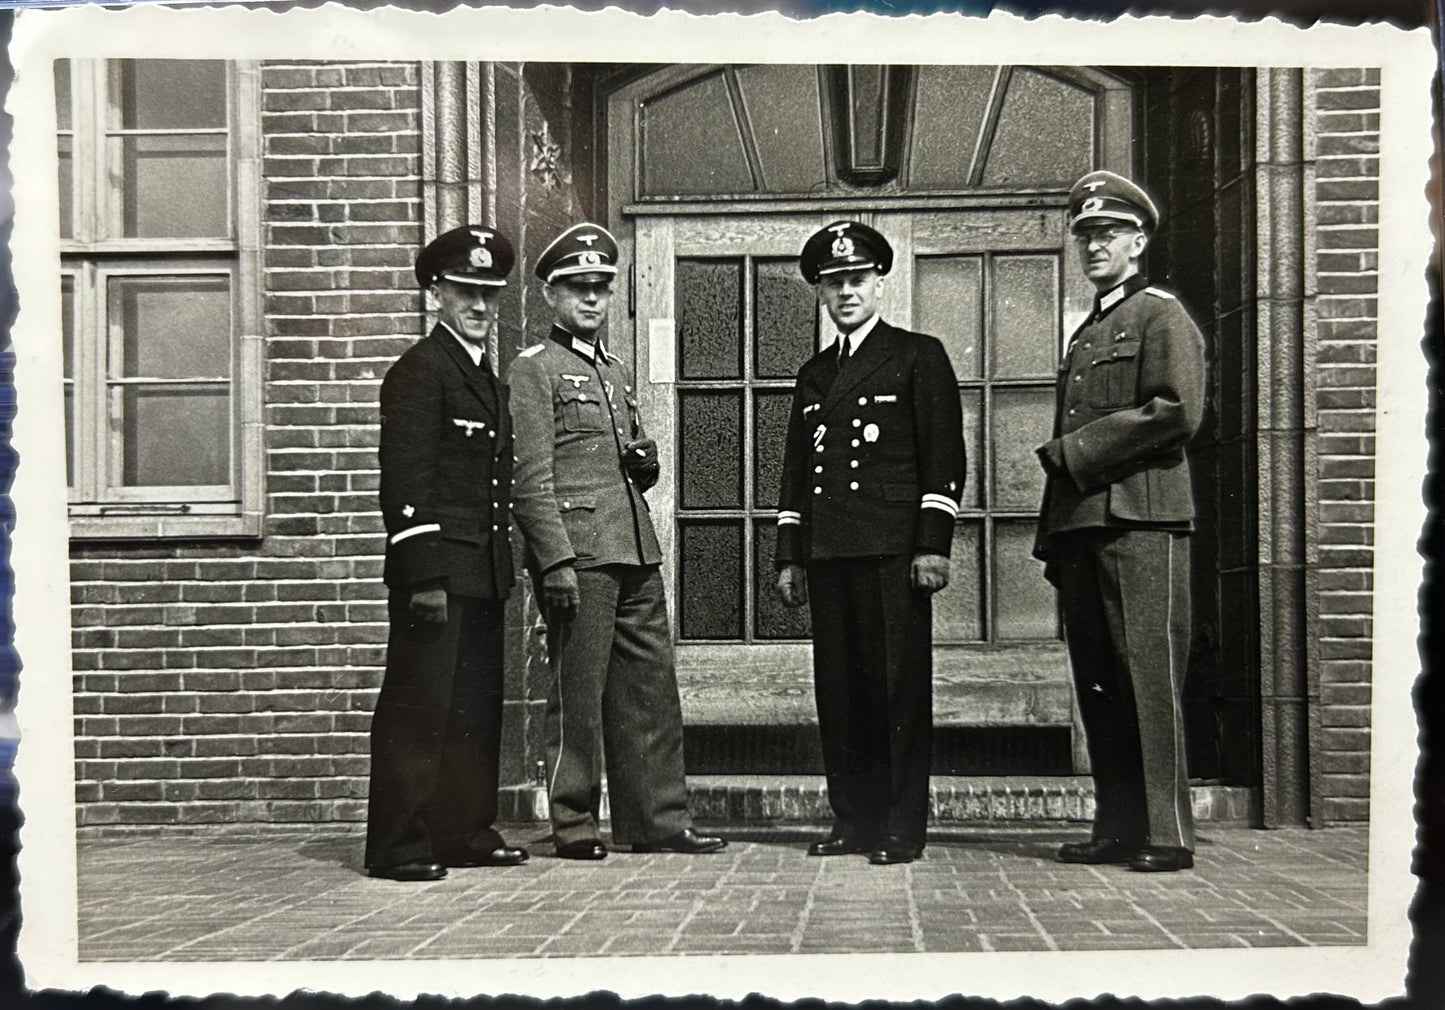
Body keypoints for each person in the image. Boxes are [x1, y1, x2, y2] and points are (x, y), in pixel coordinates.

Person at [507, 222, 725, 861]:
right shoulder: (535, 370)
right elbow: (529, 477)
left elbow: (622, 467)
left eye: (602, 288)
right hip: (581, 556)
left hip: (634, 549)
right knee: (578, 694)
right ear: (552, 294)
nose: (593, 300)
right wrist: (555, 562)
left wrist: (645, 463)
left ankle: (656, 820)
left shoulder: (615, 368)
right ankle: (573, 824)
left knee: (650, 692)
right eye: (579, 289)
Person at [774, 221, 966, 866]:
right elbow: (797, 470)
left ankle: (901, 825)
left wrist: (932, 544)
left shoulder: (918, 354)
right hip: (830, 551)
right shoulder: (813, 372)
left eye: (856, 280)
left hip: (892, 550)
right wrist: (788, 555)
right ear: (822, 293)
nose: (846, 292)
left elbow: (944, 457)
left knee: (896, 690)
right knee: (841, 692)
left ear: (879, 283)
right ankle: (853, 820)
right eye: (834, 283)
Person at [1033, 170, 1206, 874]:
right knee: (1098, 682)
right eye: (1085, 236)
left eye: (1106, 234)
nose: (1093, 246)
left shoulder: (1161, 316)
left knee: (1147, 678)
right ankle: (1116, 824)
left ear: (1137, 241)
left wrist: (1075, 453)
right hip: (1083, 525)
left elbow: (1176, 411)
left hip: (1142, 522)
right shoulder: (1089, 331)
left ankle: (1166, 834)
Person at [365, 225, 530, 881]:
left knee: (472, 709)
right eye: (466, 292)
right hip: (435, 573)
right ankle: (397, 845)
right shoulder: (420, 372)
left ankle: (461, 830)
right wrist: (423, 577)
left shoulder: (484, 379)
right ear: (436, 292)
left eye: (490, 295)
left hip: (481, 568)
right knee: (418, 707)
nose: (480, 307)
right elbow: (405, 483)